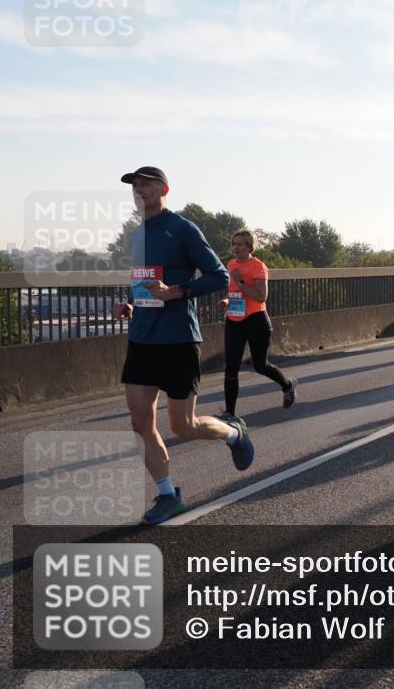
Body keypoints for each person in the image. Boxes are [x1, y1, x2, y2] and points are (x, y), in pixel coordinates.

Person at [111, 166, 252, 525]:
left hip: (177, 339)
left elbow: (219, 276)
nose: (138, 190)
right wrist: (130, 303)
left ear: (164, 189)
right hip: (142, 338)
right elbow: (143, 281)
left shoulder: (184, 229)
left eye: (145, 183)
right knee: (140, 421)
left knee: (183, 426)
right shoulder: (136, 235)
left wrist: (176, 292)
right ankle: (167, 494)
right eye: (134, 185)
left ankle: (234, 432)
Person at [218, 230, 296, 417]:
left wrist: (241, 280)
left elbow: (261, 296)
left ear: (250, 247)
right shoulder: (230, 264)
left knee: (260, 365)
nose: (235, 247)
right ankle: (230, 414)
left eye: (240, 244)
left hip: (255, 320)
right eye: (234, 244)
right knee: (231, 366)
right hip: (234, 320)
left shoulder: (258, 266)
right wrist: (226, 301)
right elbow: (234, 292)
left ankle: (287, 385)